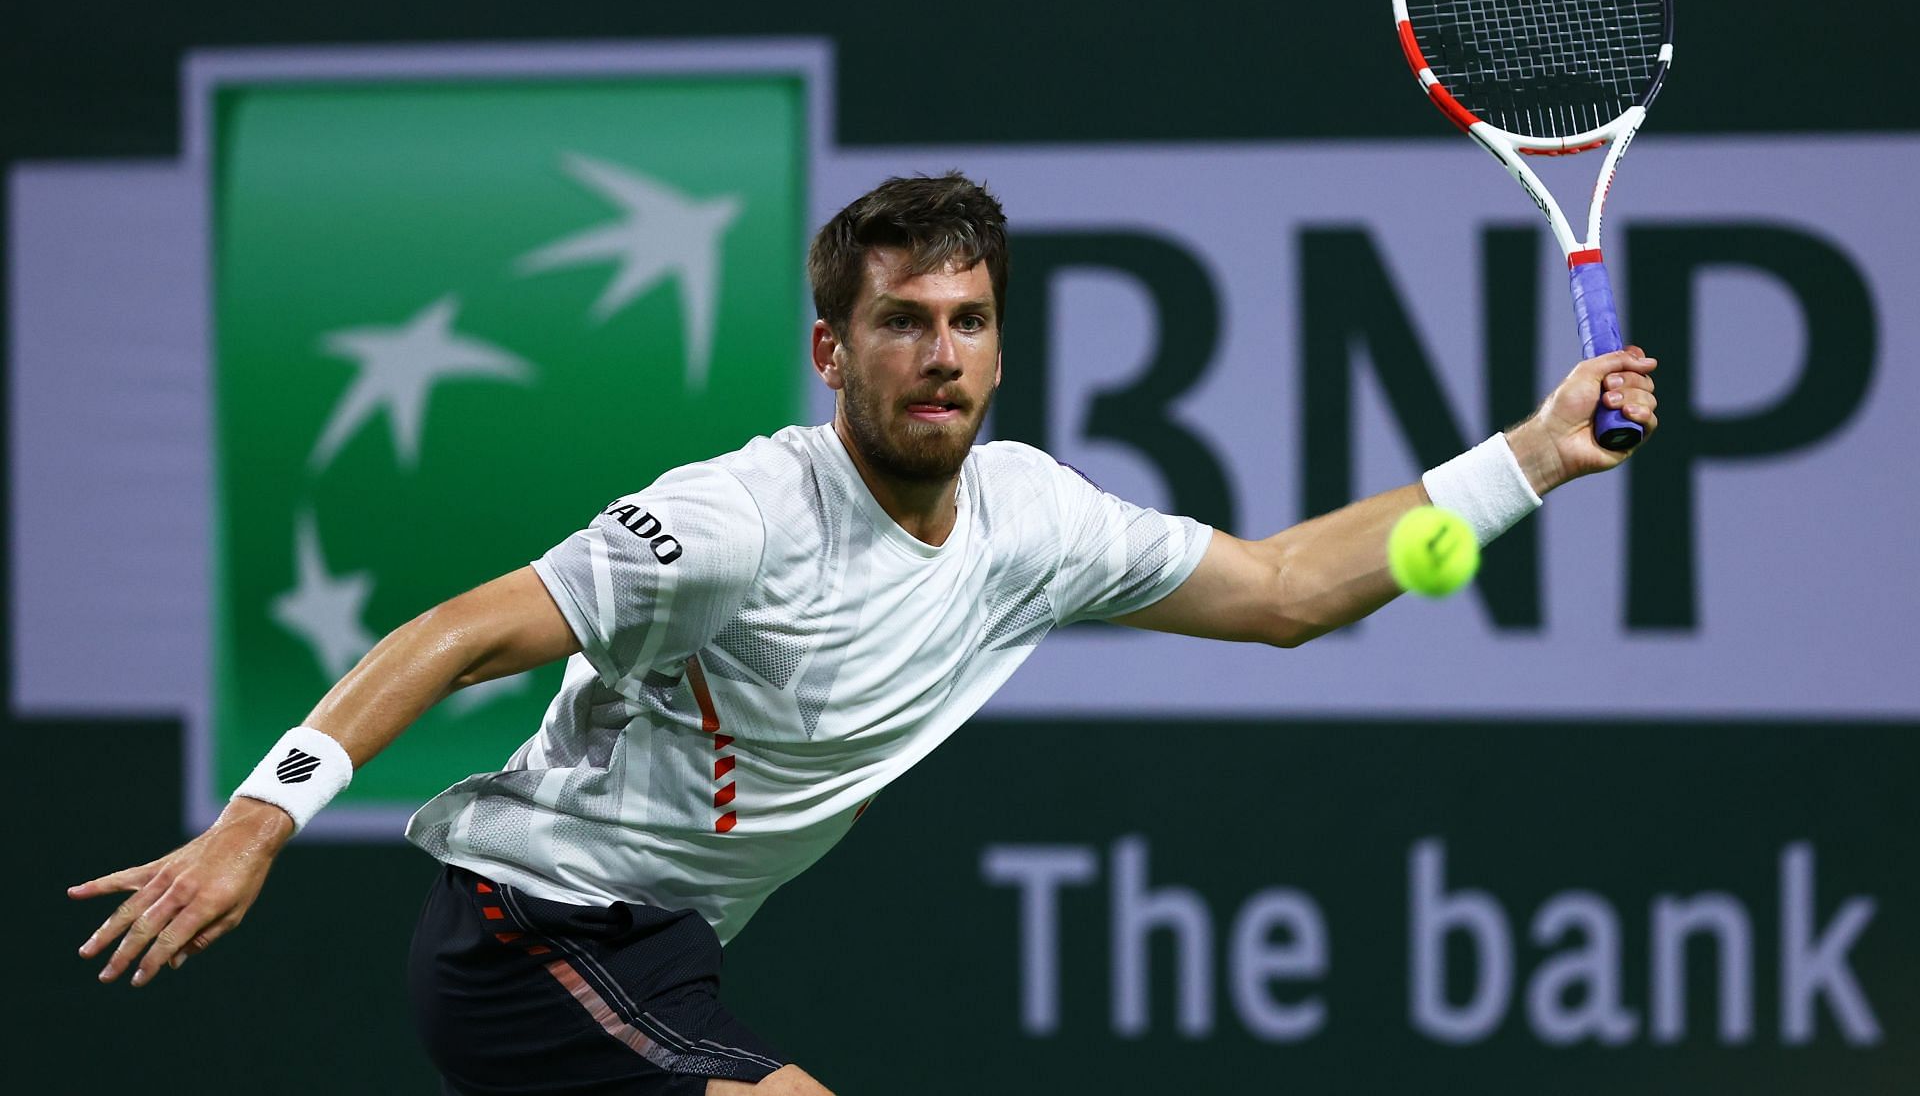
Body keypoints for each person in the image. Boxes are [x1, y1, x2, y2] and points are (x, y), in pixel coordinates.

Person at [72, 173, 1660, 1094]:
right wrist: (259, 819)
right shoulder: (736, 519)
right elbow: (455, 633)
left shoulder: (1031, 517)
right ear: (833, 346)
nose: (942, 354)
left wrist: (1530, 453)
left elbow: (1285, 591)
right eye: (904, 320)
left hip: (672, 956)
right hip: (526, 936)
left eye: (970, 321)